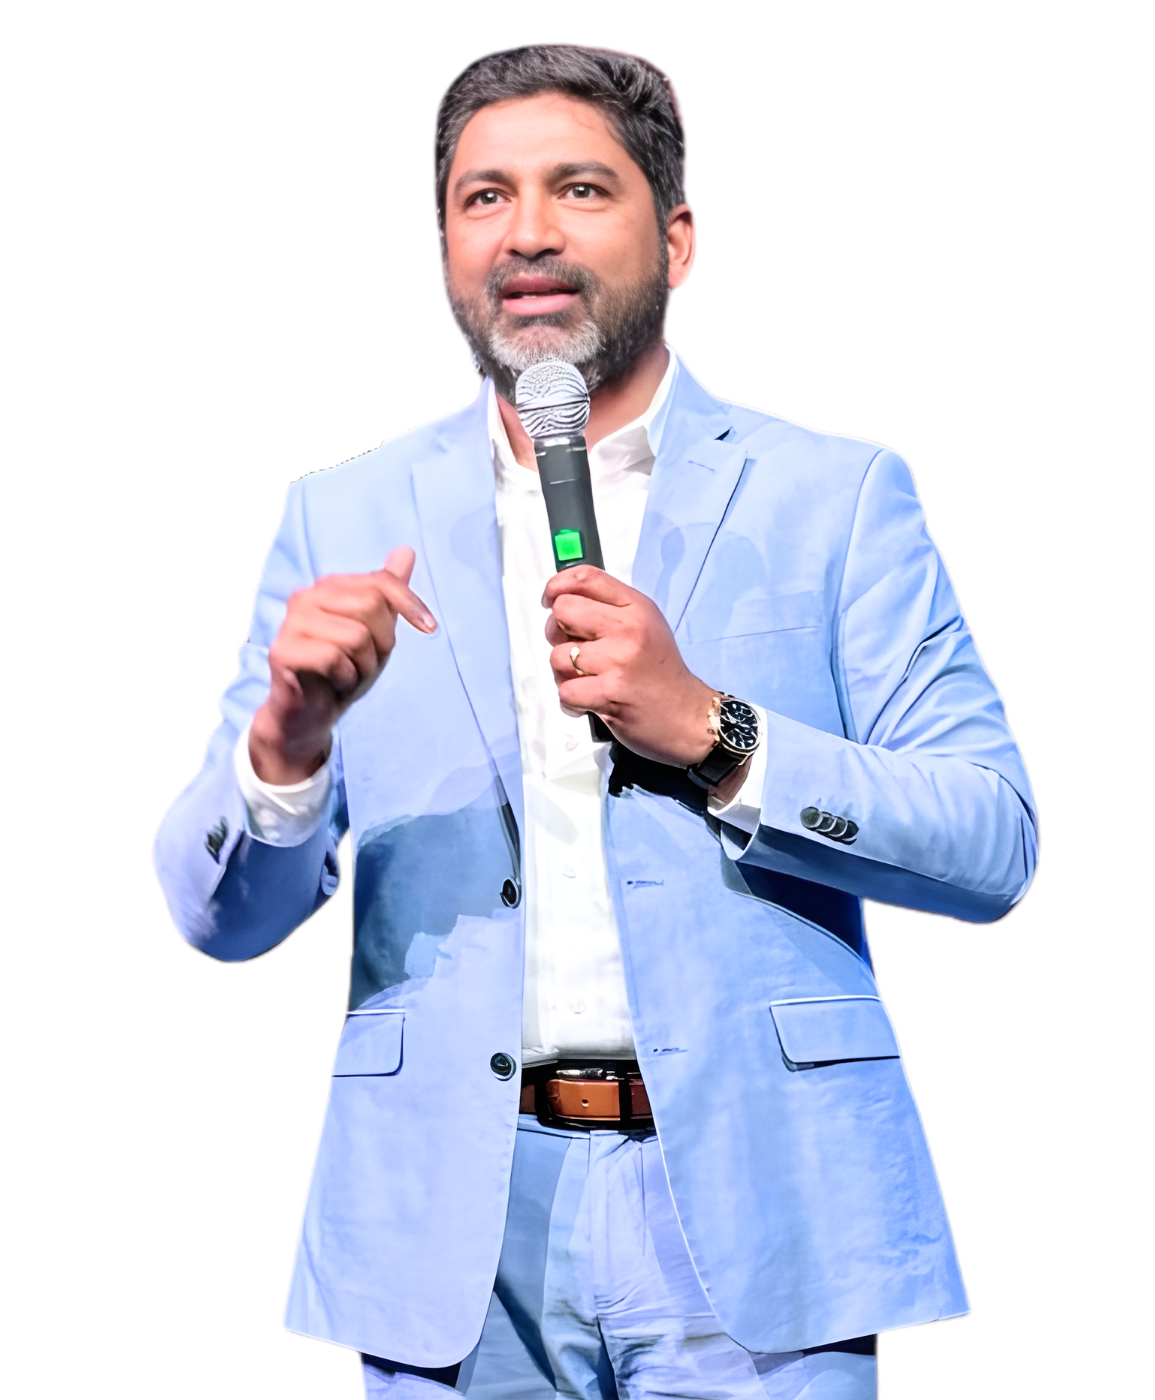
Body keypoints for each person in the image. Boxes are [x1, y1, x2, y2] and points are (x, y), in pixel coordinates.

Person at [153, 42, 1039, 1400]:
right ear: (444, 248)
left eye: (578, 189)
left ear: (676, 240)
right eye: (484, 197)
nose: (527, 234)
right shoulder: (344, 514)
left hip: (760, 1201)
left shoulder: (833, 493)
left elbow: (992, 843)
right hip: (452, 1218)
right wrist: (283, 746)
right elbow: (215, 917)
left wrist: (714, 731)